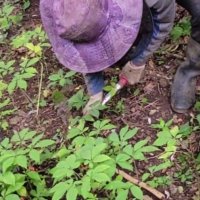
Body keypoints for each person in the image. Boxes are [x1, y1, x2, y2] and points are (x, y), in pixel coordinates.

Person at [40, 0, 200, 115]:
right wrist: (95, 91)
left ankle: (190, 71)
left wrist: (139, 61)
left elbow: (163, 22)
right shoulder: (61, 7)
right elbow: (82, 48)